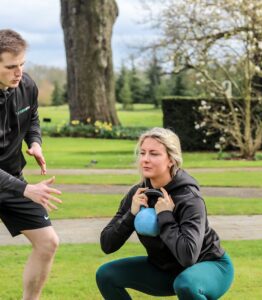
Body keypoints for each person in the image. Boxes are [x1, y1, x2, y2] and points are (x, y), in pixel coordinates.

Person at [96, 127, 234, 299]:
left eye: (154, 154)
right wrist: (131, 215)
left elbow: (188, 256)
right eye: (142, 153)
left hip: (209, 267)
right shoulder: (137, 194)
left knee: (185, 284)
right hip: (166, 270)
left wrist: (165, 216)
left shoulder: (188, 197)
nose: (145, 159)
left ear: (171, 159)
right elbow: (107, 244)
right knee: (106, 275)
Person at [0, 29, 62, 300]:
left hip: (12, 180)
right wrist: (27, 190)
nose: (19, 72)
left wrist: (35, 141)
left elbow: (33, 116)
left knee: (48, 243)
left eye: (22, 64)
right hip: (17, 186)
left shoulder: (26, 85)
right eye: (11, 67)